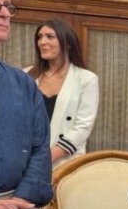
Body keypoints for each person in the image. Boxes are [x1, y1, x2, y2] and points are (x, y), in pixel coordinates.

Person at [0, 0, 53, 209]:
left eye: (7, 6)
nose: (5, 13)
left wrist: (19, 200)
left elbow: (40, 147)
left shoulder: (22, 83)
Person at [26, 19, 99, 168]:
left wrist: (47, 158)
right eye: (39, 37)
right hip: (26, 160)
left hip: (65, 165)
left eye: (50, 37)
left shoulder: (86, 79)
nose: (42, 42)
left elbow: (83, 126)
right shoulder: (26, 75)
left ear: (67, 43)